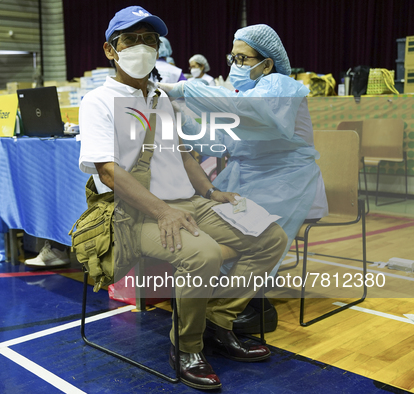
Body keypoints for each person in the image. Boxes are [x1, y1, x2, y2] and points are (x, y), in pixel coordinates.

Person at [78, 6, 288, 390]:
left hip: (191, 203)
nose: (142, 47)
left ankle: (218, 323)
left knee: (271, 238)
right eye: (132, 40)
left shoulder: (161, 98)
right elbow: (108, 170)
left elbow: (184, 154)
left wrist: (212, 192)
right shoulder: (98, 102)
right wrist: (162, 211)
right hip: (136, 215)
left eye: (150, 41)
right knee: (203, 254)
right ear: (111, 50)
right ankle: (187, 346)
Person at [159, 24, 329, 333]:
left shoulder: (281, 86)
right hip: (246, 177)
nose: (235, 66)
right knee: (209, 226)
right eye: (232, 58)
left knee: (247, 232)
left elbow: (250, 112)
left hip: (286, 181)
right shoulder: (245, 93)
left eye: (243, 59)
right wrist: (177, 118)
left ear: (267, 63)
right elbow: (219, 141)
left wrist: (184, 89)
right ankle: (224, 301)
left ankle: (253, 306)